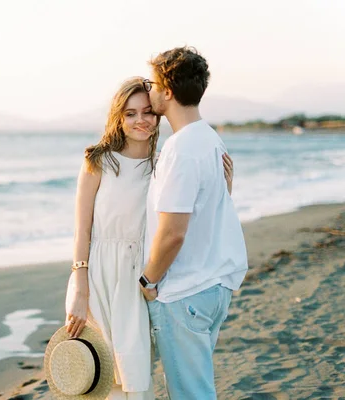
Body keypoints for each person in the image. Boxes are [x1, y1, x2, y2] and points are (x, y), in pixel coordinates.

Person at [65, 76, 234, 399]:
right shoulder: (97, 161)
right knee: (96, 374)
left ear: (158, 116)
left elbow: (190, 221)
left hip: (142, 281)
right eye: (130, 113)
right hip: (98, 276)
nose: (140, 120)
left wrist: (224, 189)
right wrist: (79, 286)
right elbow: (82, 230)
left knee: (136, 375)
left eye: (147, 112)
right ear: (118, 117)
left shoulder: (164, 166)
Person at [140, 47, 248, 400]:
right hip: (213, 284)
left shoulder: (181, 148)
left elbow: (173, 232)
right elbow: (210, 208)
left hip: (186, 290)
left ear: (168, 91)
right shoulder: (210, 139)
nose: (150, 92)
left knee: (191, 394)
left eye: (153, 85)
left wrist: (148, 279)